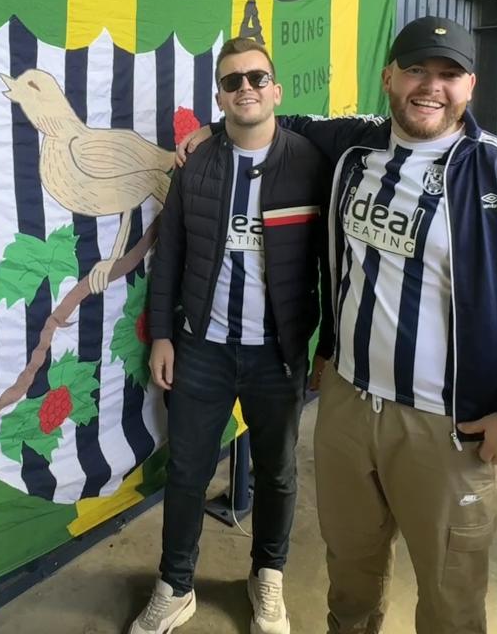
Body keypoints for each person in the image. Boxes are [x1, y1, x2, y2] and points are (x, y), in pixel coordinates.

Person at [179, 17, 497, 634]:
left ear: (470, 86)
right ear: (389, 78)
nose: (430, 88)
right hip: (348, 407)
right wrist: (215, 131)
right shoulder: (356, 147)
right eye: (415, 70)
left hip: (446, 427)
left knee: (449, 601)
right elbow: (278, 121)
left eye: (448, 75)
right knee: (349, 576)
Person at [129, 37, 331, 634]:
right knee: (188, 472)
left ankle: (267, 575)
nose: (246, 88)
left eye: (257, 78)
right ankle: (175, 584)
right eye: (232, 81)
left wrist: (327, 349)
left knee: (277, 473)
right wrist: (162, 335)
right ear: (219, 96)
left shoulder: (309, 162)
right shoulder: (197, 165)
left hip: (279, 353)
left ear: (276, 89)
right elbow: (170, 256)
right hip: (202, 350)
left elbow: (329, 260)